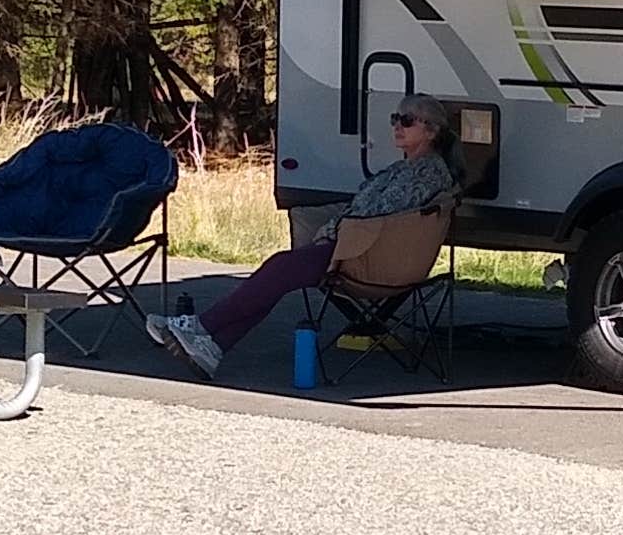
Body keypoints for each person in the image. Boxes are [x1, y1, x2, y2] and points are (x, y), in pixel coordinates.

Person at [147, 96, 460, 377]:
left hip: (368, 256)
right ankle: (212, 347)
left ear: (431, 131)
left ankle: (202, 327)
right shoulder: (404, 167)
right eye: (395, 118)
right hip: (357, 245)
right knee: (279, 276)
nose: (397, 126)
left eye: (406, 120)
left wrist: (335, 229)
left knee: (281, 268)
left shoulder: (427, 172)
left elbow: (383, 214)